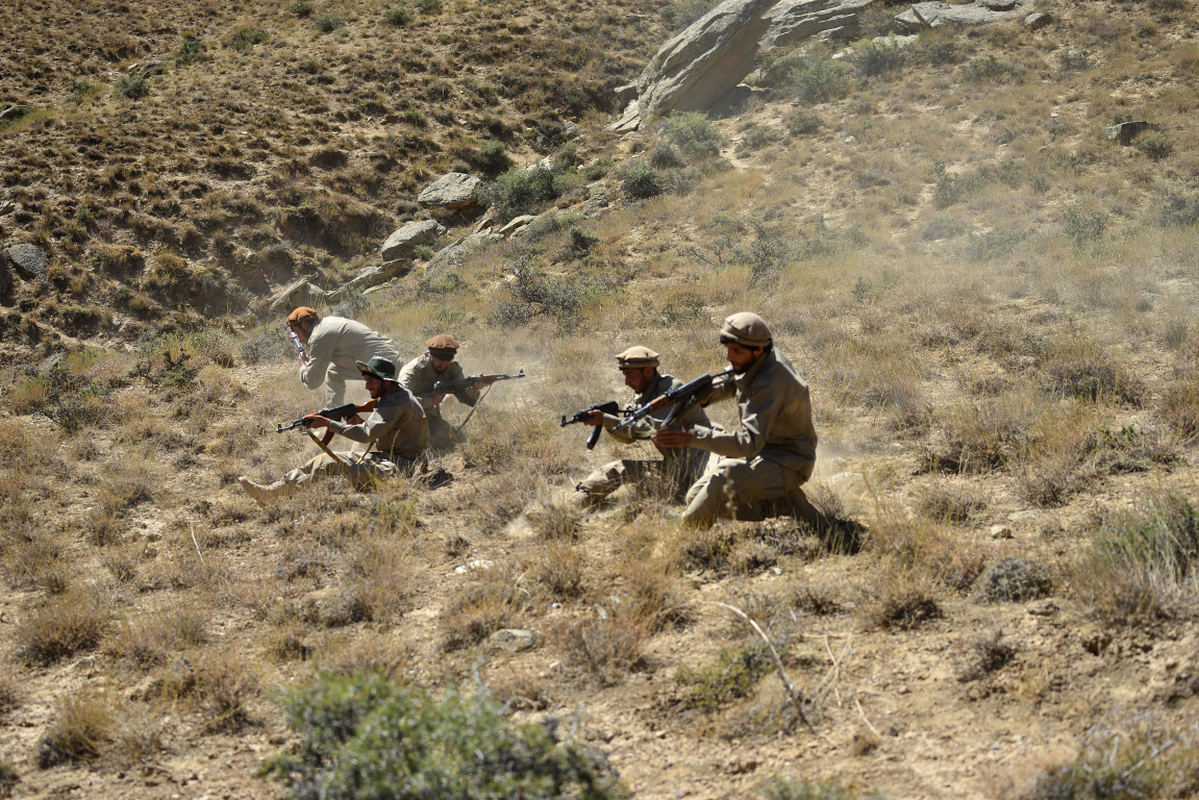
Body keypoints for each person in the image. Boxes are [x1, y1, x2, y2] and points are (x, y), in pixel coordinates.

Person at [652, 313, 818, 528]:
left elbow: (748, 444)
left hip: (789, 460)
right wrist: (707, 394)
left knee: (722, 478)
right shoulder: (761, 356)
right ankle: (780, 504)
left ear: (757, 350)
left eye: (736, 351)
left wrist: (692, 436)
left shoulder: (769, 384)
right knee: (696, 497)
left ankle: (683, 533)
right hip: (765, 451)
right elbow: (734, 381)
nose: (729, 357)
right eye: (728, 350)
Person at [238, 357, 428, 502]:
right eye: (366, 380)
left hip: (403, 469)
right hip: (391, 460)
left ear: (386, 382)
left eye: (371, 381)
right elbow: (384, 431)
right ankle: (275, 489)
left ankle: (273, 495)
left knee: (330, 465)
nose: (366, 386)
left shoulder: (396, 402)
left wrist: (328, 424)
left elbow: (365, 435)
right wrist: (359, 422)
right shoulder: (395, 397)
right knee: (324, 458)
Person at [569, 346, 711, 510]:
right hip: (675, 470)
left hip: (702, 471)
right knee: (617, 469)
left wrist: (607, 419)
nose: (626, 382)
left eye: (631, 376)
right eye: (625, 376)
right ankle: (574, 504)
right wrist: (604, 421)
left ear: (648, 372)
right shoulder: (640, 397)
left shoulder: (672, 390)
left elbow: (652, 427)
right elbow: (628, 437)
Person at [287, 307, 400, 405]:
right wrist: (301, 341)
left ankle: (334, 420)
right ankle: (335, 416)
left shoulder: (320, 336)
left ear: (304, 325)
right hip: (389, 358)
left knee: (391, 403)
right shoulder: (326, 324)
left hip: (385, 366)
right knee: (333, 371)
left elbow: (313, 381)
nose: (296, 335)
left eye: (296, 331)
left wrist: (302, 366)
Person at [398, 335, 484, 454]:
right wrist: (430, 401)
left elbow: (465, 397)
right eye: (440, 359)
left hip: (430, 418)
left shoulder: (452, 368)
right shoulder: (412, 371)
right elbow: (399, 401)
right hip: (407, 420)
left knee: (454, 438)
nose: (444, 364)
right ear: (430, 355)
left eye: (448, 359)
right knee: (419, 442)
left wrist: (474, 388)